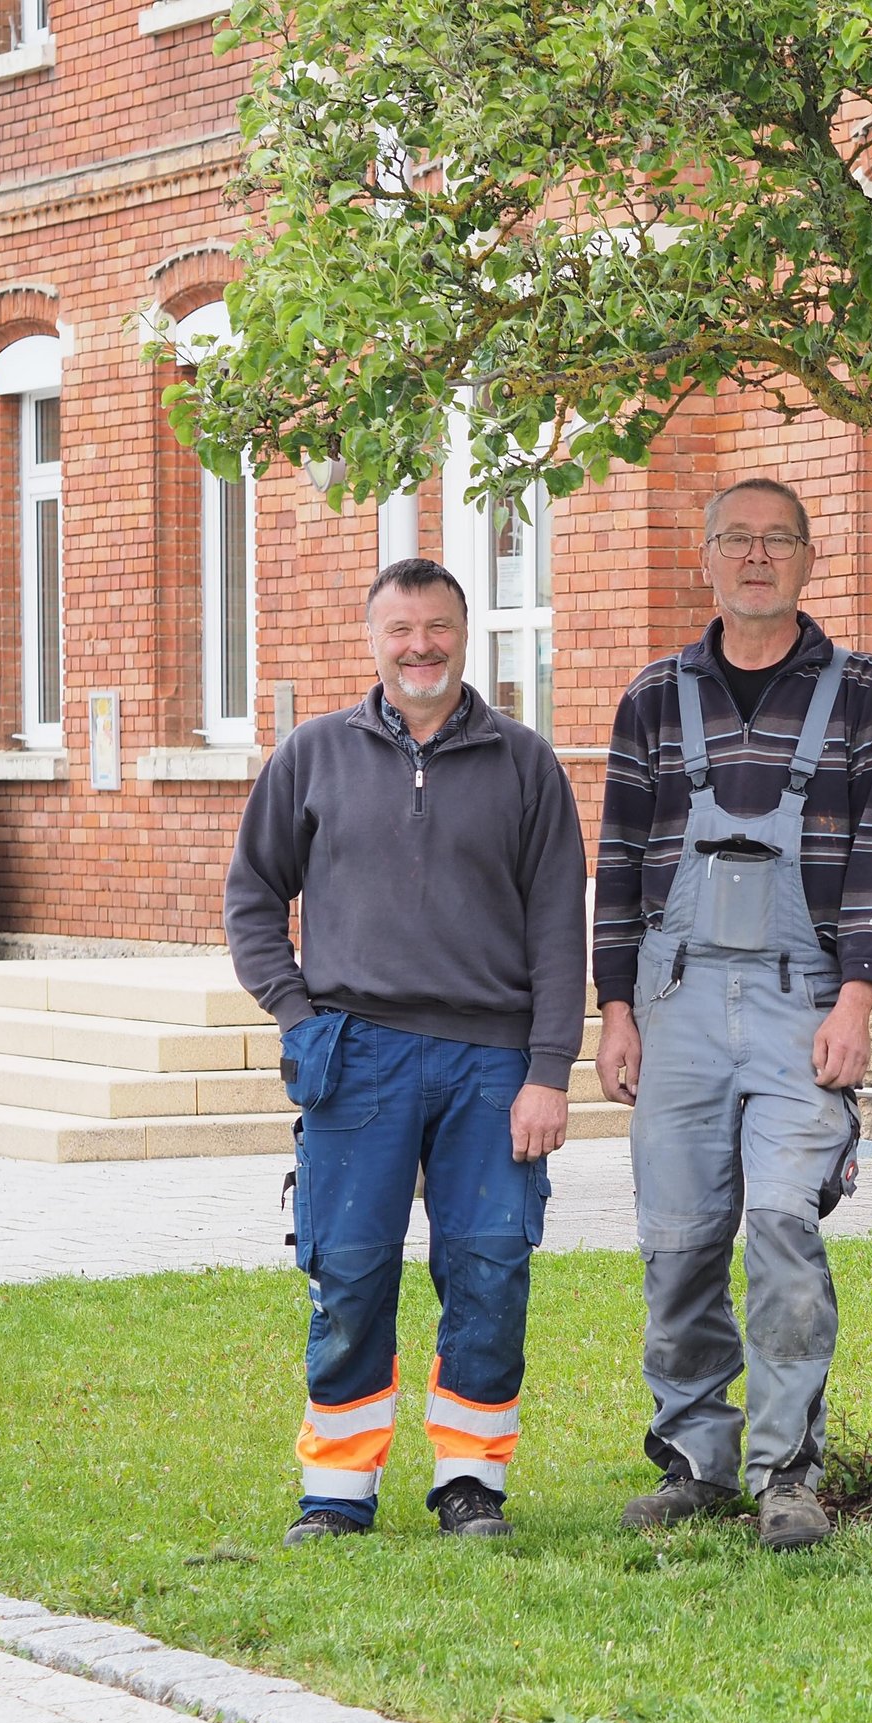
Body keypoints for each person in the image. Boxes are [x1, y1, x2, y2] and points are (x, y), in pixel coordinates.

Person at [226, 555, 587, 1547]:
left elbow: (561, 927)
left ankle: (470, 1483)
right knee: (347, 1271)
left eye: (437, 628)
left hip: (491, 1065)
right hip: (357, 1057)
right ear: (373, 639)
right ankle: (336, 1491)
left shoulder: (524, 763)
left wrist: (550, 1070)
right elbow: (254, 893)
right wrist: (296, 1015)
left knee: (490, 1269)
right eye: (401, 630)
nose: (419, 646)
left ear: (463, 637)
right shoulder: (313, 756)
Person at [592, 477, 872, 1552]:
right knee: (677, 1241)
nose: (757, 558)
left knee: (779, 1227)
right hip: (672, 1004)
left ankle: (786, 1470)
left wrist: (860, 994)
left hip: (801, 1001)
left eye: (779, 541)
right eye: (737, 540)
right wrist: (613, 1007)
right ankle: (692, 1456)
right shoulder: (651, 698)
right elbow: (619, 861)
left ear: (810, 560)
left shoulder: (860, 693)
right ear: (706, 558)